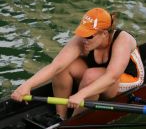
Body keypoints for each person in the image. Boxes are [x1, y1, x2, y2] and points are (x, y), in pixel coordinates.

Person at [11, 8, 145, 120]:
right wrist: (27, 85)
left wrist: (81, 94)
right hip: (97, 75)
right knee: (65, 67)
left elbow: (111, 77)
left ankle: (74, 121)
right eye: (83, 33)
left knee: (91, 76)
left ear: (104, 33)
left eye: (89, 36)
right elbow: (56, 66)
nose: (84, 39)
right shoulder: (83, 39)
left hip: (129, 79)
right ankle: (60, 117)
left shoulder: (123, 40)